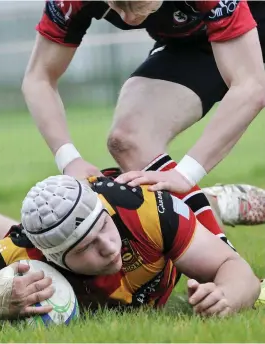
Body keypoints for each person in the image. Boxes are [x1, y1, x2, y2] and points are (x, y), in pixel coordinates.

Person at [22, 0, 265, 251]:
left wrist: (186, 174)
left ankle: (226, 264)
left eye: (139, 5)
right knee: (129, 140)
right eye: (116, 6)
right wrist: (69, 159)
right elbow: (38, 77)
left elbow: (251, 86)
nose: (127, 19)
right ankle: (224, 262)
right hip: (194, 43)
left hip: (251, 26)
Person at [0, 173, 263, 330]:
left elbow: (236, 270)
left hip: (164, 215)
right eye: (86, 247)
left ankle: (211, 202)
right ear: (53, 257)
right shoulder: (24, 253)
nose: (108, 247)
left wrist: (226, 299)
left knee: (188, 215)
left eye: (103, 227)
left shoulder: (140, 209)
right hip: (32, 239)